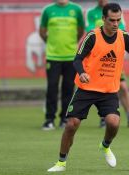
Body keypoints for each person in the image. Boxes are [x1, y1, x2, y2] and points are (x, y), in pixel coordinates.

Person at [47, 3, 129, 172]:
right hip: (86, 89)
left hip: (108, 91)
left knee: (113, 123)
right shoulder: (92, 36)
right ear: (103, 19)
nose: (115, 24)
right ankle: (61, 163)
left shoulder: (125, 37)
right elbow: (77, 59)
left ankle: (105, 145)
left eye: (118, 20)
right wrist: (82, 73)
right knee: (71, 124)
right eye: (112, 20)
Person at [86, 0, 129, 128]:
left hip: (113, 58)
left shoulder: (116, 12)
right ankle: (104, 117)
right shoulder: (91, 12)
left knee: (123, 87)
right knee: (100, 88)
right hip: (97, 59)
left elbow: (121, 30)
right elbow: (89, 31)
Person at [39, 0, 85, 130]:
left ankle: (65, 118)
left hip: (71, 57)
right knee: (52, 88)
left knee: (68, 88)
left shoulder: (76, 9)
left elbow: (80, 30)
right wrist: (51, 44)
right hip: (52, 56)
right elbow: (42, 31)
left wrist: (71, 44)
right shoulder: (48, 10)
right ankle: (49, 119)